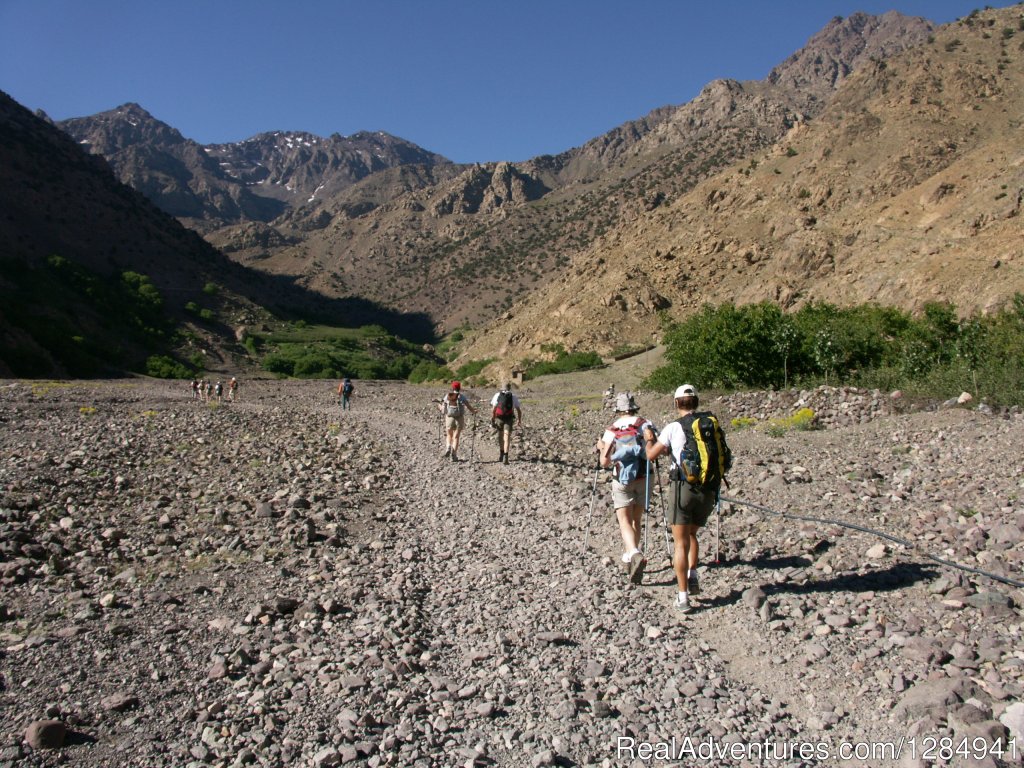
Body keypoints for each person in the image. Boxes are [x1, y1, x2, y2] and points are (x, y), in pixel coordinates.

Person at [644, 384, 731, 613]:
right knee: (692, 534)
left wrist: (649, 439)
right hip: (708, 488)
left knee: (680, 542)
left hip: (683, 488)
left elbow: (651, 455)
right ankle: (692, 574)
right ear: (697, 402)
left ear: (676, 403)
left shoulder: (673, 427)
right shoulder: (709, 424)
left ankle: (682, 596)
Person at [596, 392, 655, 584]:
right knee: (636, 519)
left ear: (618, 409)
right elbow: (656, 449)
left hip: (621, 478)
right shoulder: (645, 424)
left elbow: (604, 462)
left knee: (624, 521)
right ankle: (630, 557)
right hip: (644, 475)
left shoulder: (611, 430)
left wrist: (600, 447)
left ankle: (633, 552)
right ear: (634, 406)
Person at [438, 381, 476, 462]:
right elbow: (468, 406)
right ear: (459, 388)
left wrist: (439, 406)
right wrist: (474, 411)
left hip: (449, 418)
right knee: (456, 437)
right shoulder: (462, 396)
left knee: (449, 435)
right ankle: (454, 455)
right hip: (459, 418)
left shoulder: (447, 396)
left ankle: (448, 447)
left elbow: (443, 408)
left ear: (452, 387)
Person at [489, 383, 522, 464]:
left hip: (499, 418)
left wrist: (492, 419)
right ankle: (506, 456)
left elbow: (493, 409)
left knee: (500, 436)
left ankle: (501, 453)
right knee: (506, 437)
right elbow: (518, 410)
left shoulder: (497, 395)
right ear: (510, 388)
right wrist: (519, 420)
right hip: (509, 418)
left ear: (502, 388)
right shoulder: (513, 396)